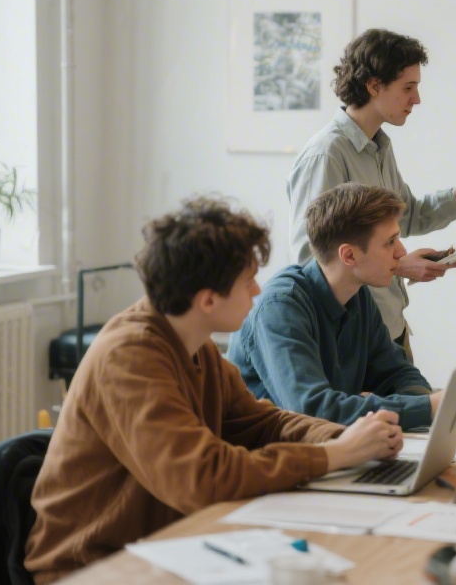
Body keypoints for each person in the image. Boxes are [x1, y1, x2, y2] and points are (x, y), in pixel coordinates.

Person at [25, 198, 403, 582]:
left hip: (171, 546)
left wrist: (349, 438)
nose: (258, 290)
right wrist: (332, 456)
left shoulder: (195, 343)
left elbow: (262, 423)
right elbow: (202, 477)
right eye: (247, 280)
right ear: (207, 300)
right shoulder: (127, 357)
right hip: (95, 568)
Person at [287, 28, 456, 362]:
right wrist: (399, 266)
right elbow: (311, 260)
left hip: (390, 330)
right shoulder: (326, 155)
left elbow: (408, 214)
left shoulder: (379, 146)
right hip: (351, 340)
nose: (417, 99)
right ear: (374, 86)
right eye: (408, 88)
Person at [228, 183, 456, 429]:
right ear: (349, 255)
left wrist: (423, 404)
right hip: (271, 467)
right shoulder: (281, 307)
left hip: (329, 452)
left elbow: (398, 373)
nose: (402, 252)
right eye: (390, 242)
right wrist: (431, 407)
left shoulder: (357, 294)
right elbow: (312, 410)